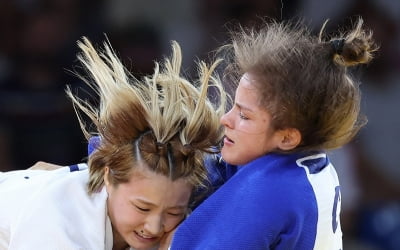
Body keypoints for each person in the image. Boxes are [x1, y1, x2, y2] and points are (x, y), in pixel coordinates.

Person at [168, 17, 377, 249]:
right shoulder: (311, 164)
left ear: (287, 138)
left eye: (244, 116)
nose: (225, 119)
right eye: (233, 108)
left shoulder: (268, 190)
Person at [0, 37, 227, 250]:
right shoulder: (58, 226)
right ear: (108, 177)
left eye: (173, 212)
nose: (155, 227)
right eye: (142, 207)